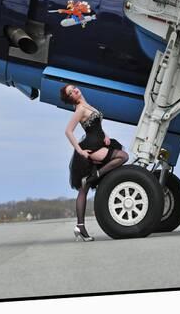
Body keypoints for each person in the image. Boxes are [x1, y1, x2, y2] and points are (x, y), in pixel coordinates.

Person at [60, 84, 129, 242]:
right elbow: (68, 131)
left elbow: (96, 126)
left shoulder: (86, 105)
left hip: (101, 142)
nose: (75, 91)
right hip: (93, 148)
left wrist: (106, 134)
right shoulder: (80, 109)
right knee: (123, 156)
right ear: (70, 98)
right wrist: (79, 151)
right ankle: (97, 174)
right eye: (71, 92)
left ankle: (80, 226)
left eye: (74, 88)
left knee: (84, 188)